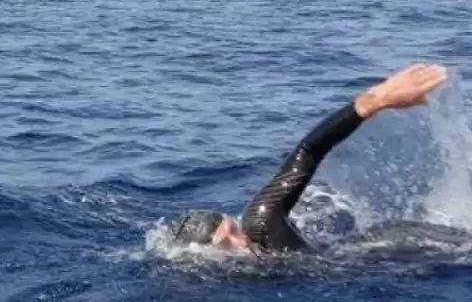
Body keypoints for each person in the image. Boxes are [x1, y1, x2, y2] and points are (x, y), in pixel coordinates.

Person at [169, 62, 448, 253]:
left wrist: (375, 100)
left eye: (232, 230)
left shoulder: (261, 224)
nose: (240, 243)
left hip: (406, 247)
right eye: (225, 244)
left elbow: (308, 152)